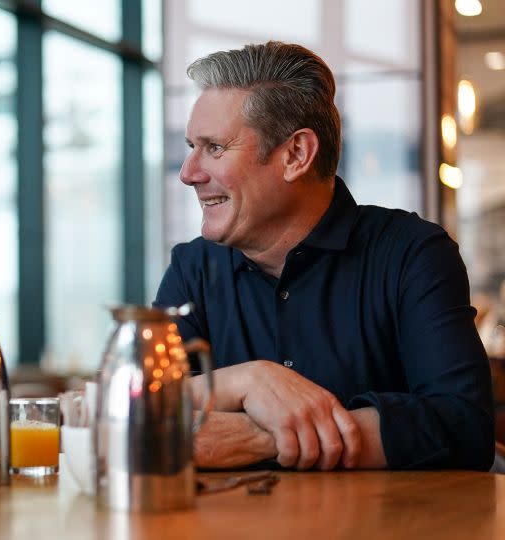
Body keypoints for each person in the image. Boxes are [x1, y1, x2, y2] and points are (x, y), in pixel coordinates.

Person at [155, 42, 493, 472]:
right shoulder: (192, 269)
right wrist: (245, 381)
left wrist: (264, 436)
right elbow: (137, 414)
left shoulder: (412, 253)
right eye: (191, 146)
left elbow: (464, 430)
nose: (188, 172)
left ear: (296, 154)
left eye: (215, 147)